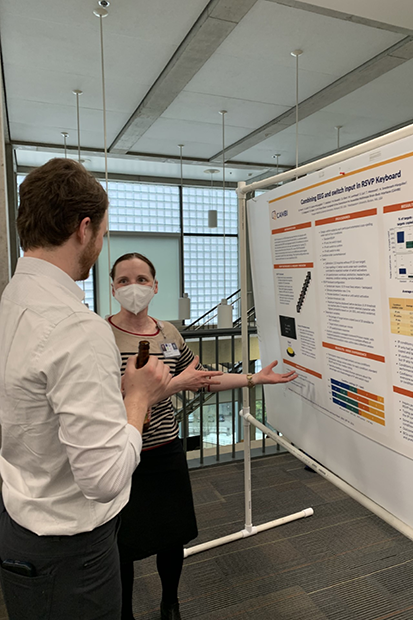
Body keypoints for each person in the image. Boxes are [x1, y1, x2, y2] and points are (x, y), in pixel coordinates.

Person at [0, 159, 173, 620]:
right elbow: (103, 480)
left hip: (21, 521)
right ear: (84, 229)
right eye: (102, 232)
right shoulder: (77, 327)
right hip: (71, 551)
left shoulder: (12, 300)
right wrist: (138, 398)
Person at [108, 252, 298, 620]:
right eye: (125, 280)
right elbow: (106, 397)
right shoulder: (101, 335)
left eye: (142, 279)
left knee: (171, 535)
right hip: (122, 452)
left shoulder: (168, 334)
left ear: (155, 285)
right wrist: (175, 383)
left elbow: (202, 378)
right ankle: (124, 612)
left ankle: (170, 603)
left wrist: (254, 378)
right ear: (113, 288)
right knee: (123, 544)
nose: (134, 287)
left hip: (165, 450)